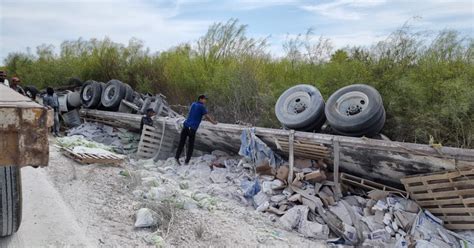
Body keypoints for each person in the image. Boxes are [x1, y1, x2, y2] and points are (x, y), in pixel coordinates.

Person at [175, 95, 217, 165]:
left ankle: (176, 157)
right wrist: (214, 122)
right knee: (191, 146)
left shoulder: (193, 104)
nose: (205, 101)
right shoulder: (202, 107)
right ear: (200, 99)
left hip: (185, 126)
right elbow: (207, 116)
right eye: (204, 99)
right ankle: (187, 161)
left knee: (181, 143)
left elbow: (194, 113)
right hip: (192, 128)